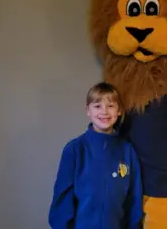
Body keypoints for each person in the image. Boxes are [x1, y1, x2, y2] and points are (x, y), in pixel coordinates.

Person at [48, 82, 144, 229]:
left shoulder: (127, 150)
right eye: (97, 106)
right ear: (88, 111)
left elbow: (134, 198)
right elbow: (63, 198)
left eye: (111, 106)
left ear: (119, 111)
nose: (104, 112)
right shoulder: (75, 149)